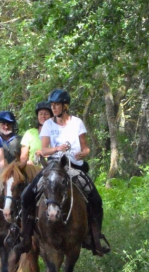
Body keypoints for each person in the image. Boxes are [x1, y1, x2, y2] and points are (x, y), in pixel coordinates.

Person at [13, 87, 109, 254]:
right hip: (54, 167)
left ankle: (94, 237)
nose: (53, 108)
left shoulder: (77, 123)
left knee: (96, 199)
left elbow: (86, 148)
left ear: (65, 106)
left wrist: (82, 154)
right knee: (26, 195)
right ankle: (26, 236)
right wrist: (58, 148)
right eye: (52, 105)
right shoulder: (48, 124)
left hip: (74, 168)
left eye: (57, 105)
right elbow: (43, 150)